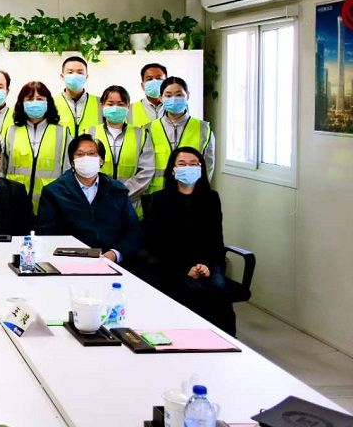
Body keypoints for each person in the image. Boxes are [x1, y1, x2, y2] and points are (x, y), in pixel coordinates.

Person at [143, 147, 234, 335]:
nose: (188, 168)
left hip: (207, 264)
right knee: (191, 291)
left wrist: (206, 265)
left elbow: (216, 240)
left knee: (218, 293)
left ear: (201, 168)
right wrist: (186, 269)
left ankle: (225, 340)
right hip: (172, 265)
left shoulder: (211, 199)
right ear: (173, 169)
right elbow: (157, 244)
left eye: (193, 164)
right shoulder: (159, 200)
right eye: (182, 164)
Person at [36, 134, 142, 264]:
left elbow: (133, 230)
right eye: (80, 154)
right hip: (69, 261)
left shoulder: (117, 190)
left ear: (101, 160)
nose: (86, 158)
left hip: (111, 261)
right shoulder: (54, 192)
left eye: (92, 154)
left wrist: (114, 254)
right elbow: (46, 234)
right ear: (72, 162)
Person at [2, 81, 70, 213]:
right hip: (15, 202)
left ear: (48, 102)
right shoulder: (11, 131)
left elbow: (68, 170)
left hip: (50, 203)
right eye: (29, 99)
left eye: (40, 99)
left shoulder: (62, 132)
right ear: (21, 103)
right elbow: (2, 169)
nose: (35, 103)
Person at [84, 85, 154, 211]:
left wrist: (121, 194)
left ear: (128, 106)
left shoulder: (141, 134)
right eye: (110, 104)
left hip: (130, 205)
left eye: (121, 104)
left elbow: (146, 171)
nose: (115, 108)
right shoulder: (88, 133)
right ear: (102, 106)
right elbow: (82, 169)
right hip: (96, 204)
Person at [147, 76, 216, 194]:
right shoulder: (148, 129)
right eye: (168, 95)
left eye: (179, 95)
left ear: (187, 96)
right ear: (161, 98)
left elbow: (208, 166)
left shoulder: (203, 128)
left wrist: (201, 190)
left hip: (192, 194)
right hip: (155, 195)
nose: (174, 99)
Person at [54, 56, 100, 137]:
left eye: (80, 72)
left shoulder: (100, 103)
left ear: (86, 77)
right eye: (70, 72)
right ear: (62, 76)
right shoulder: (52, 102)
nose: (75, 76)